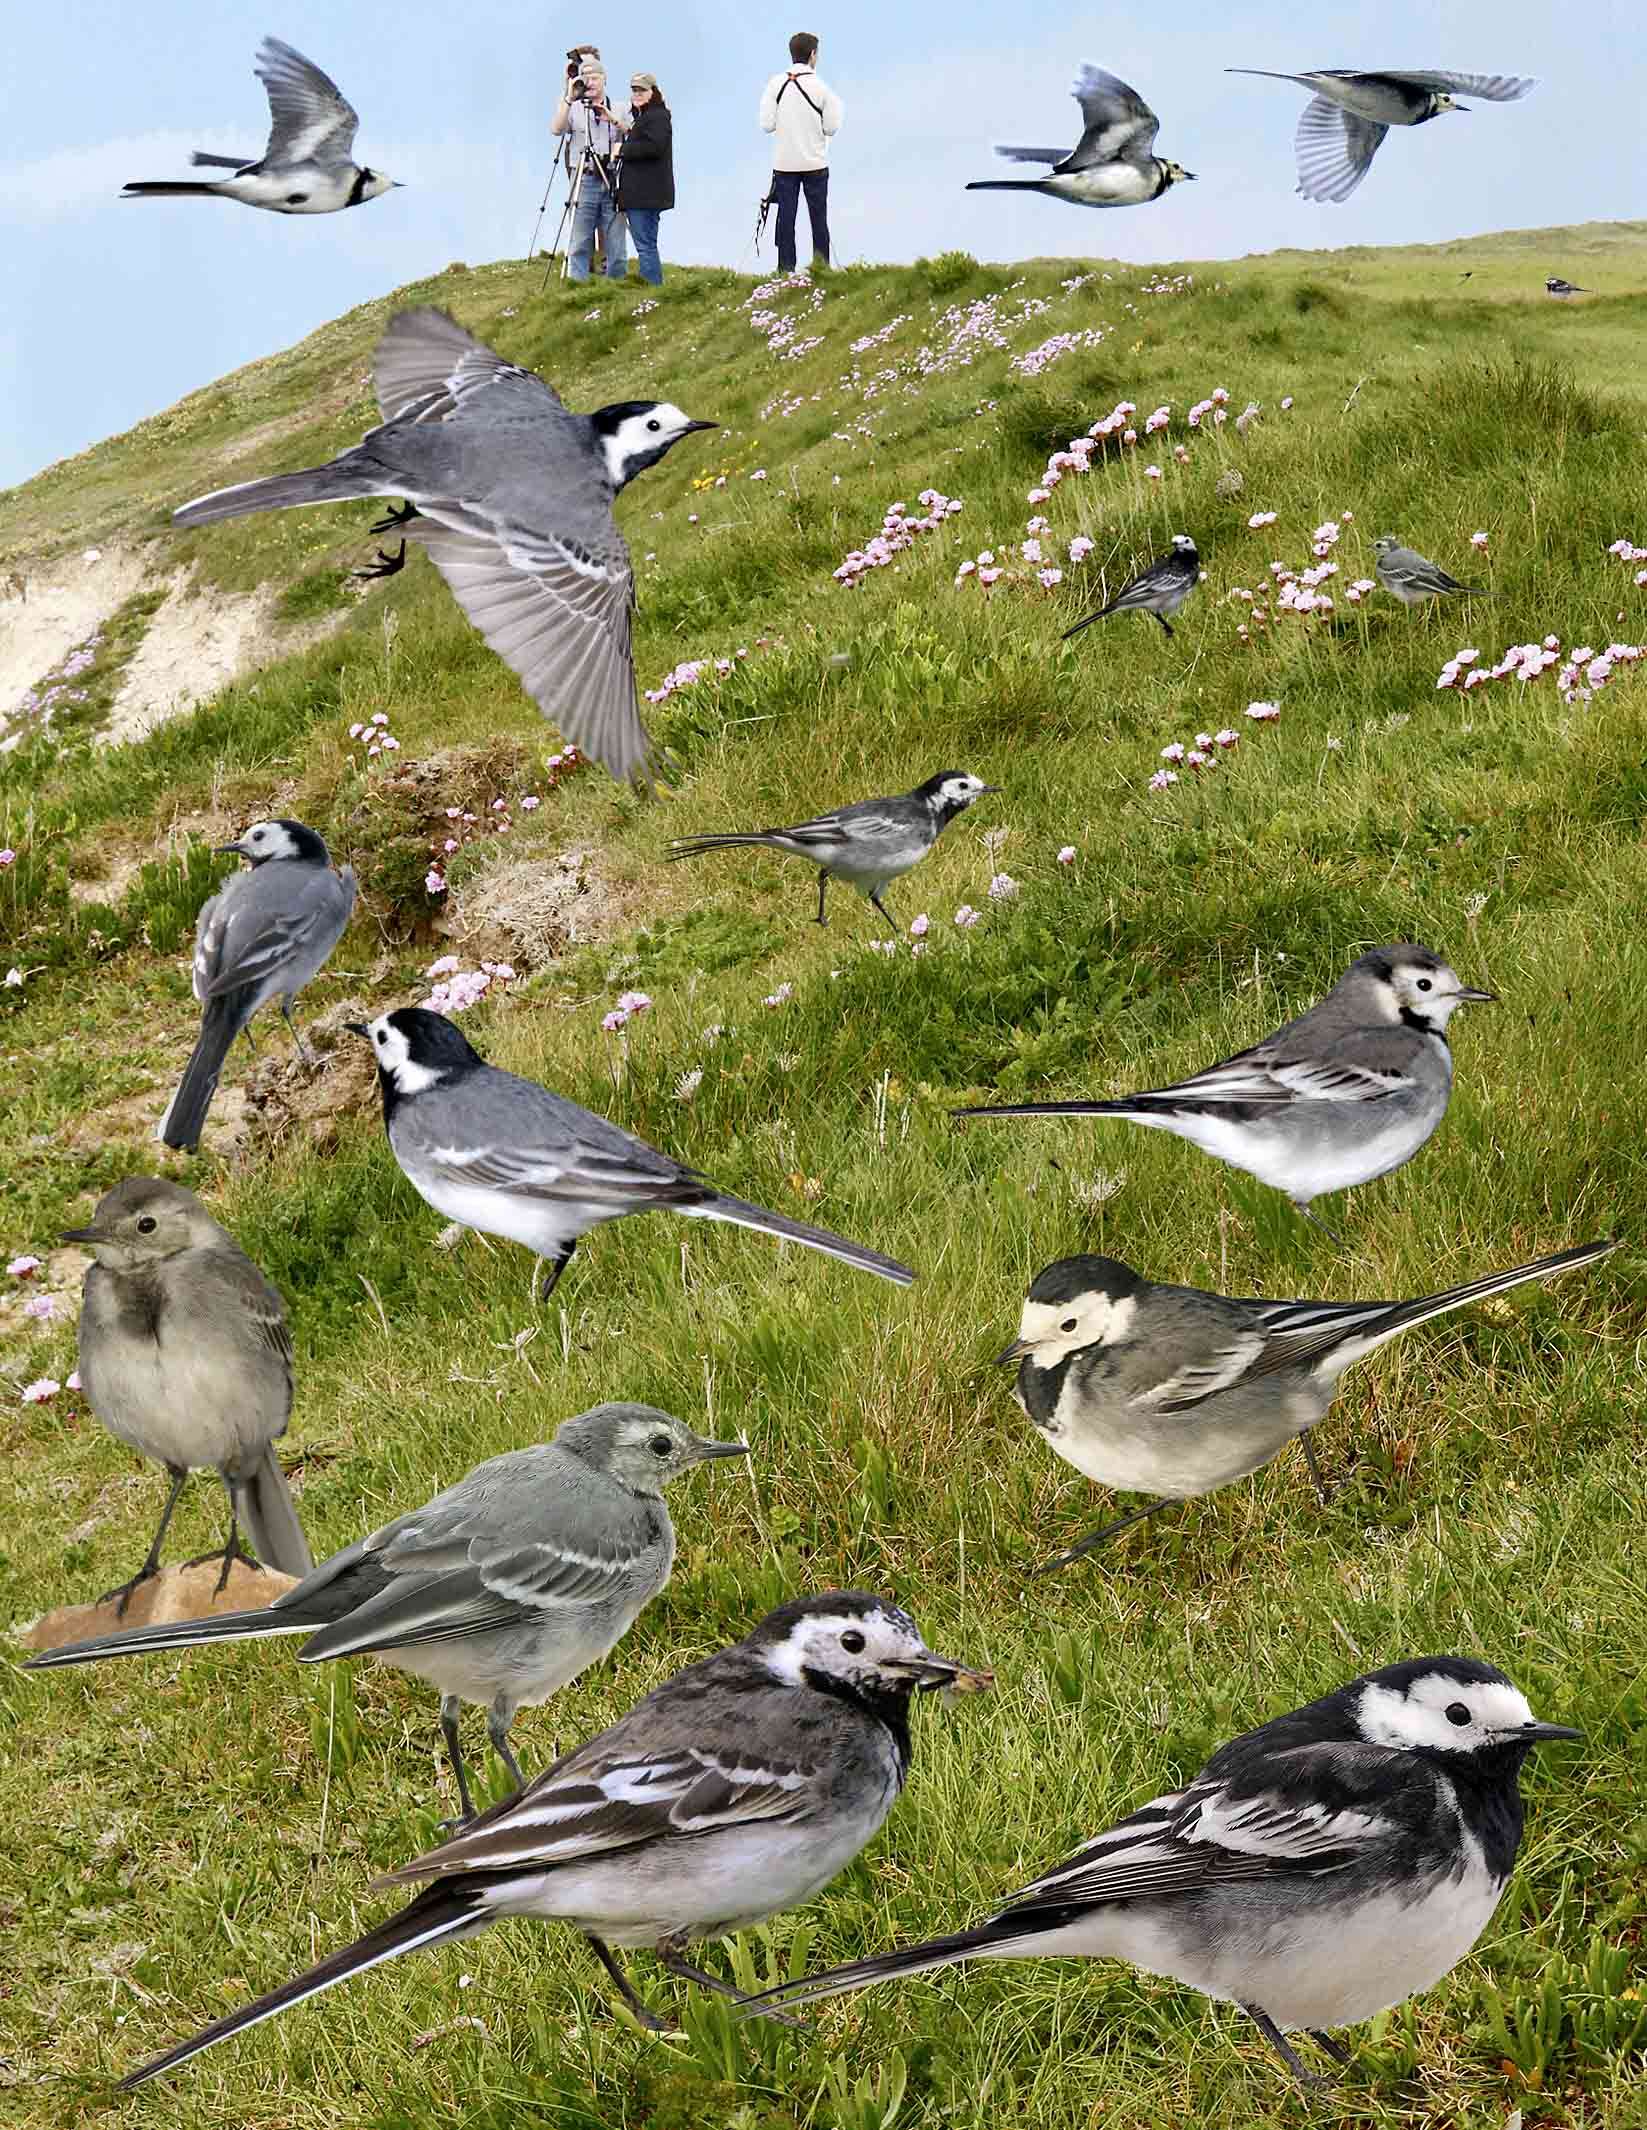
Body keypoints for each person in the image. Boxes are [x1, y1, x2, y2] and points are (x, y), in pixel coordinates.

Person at [759, 31, 843, 273]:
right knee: (818, 218)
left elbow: (767, 124)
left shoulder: (775, 84)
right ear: (813, 55)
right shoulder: (823, 89)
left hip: (784, 164)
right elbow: (831, 128)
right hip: (815, 164)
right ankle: (821, 268)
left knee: (786, 218)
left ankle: (786, 269)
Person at [551, 54, 630, 281]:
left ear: (604, 79)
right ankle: (577, 288)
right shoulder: (573, 107)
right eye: (586, 78)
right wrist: (568, 97)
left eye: (595, 77)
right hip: (583, 177)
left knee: (616, 242)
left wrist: (613, 120)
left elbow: (631, 132)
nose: (590, 83)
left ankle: (615, 287)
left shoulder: (619, 107)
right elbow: (556, 129)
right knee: (579, 242)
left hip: (612, 176)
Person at [617, 74, 673, 286]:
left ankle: (652, 287)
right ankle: (652, 286)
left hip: (645, 195)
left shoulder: (657, 116)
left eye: (642, 90)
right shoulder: (650, 116)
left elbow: (654, 147)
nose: (637, 95)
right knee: (647, 243)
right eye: (634, 91)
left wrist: (622, 149)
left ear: (653, 92)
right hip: (645, 194)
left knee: (645, 244)